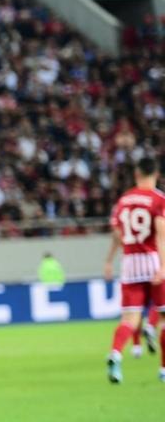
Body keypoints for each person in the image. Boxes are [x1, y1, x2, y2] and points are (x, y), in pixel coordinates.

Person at [103, 157, 165, 383]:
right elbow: (161, 235)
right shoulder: (159, 199)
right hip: (153, 261)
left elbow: (117, 234)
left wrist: (109, 260)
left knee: (129, 319)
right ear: (156, 174)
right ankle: (163, 370)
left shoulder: (124, 200)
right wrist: (163, 266)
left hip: (129, 264)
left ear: (136, 174)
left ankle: (115, 354)